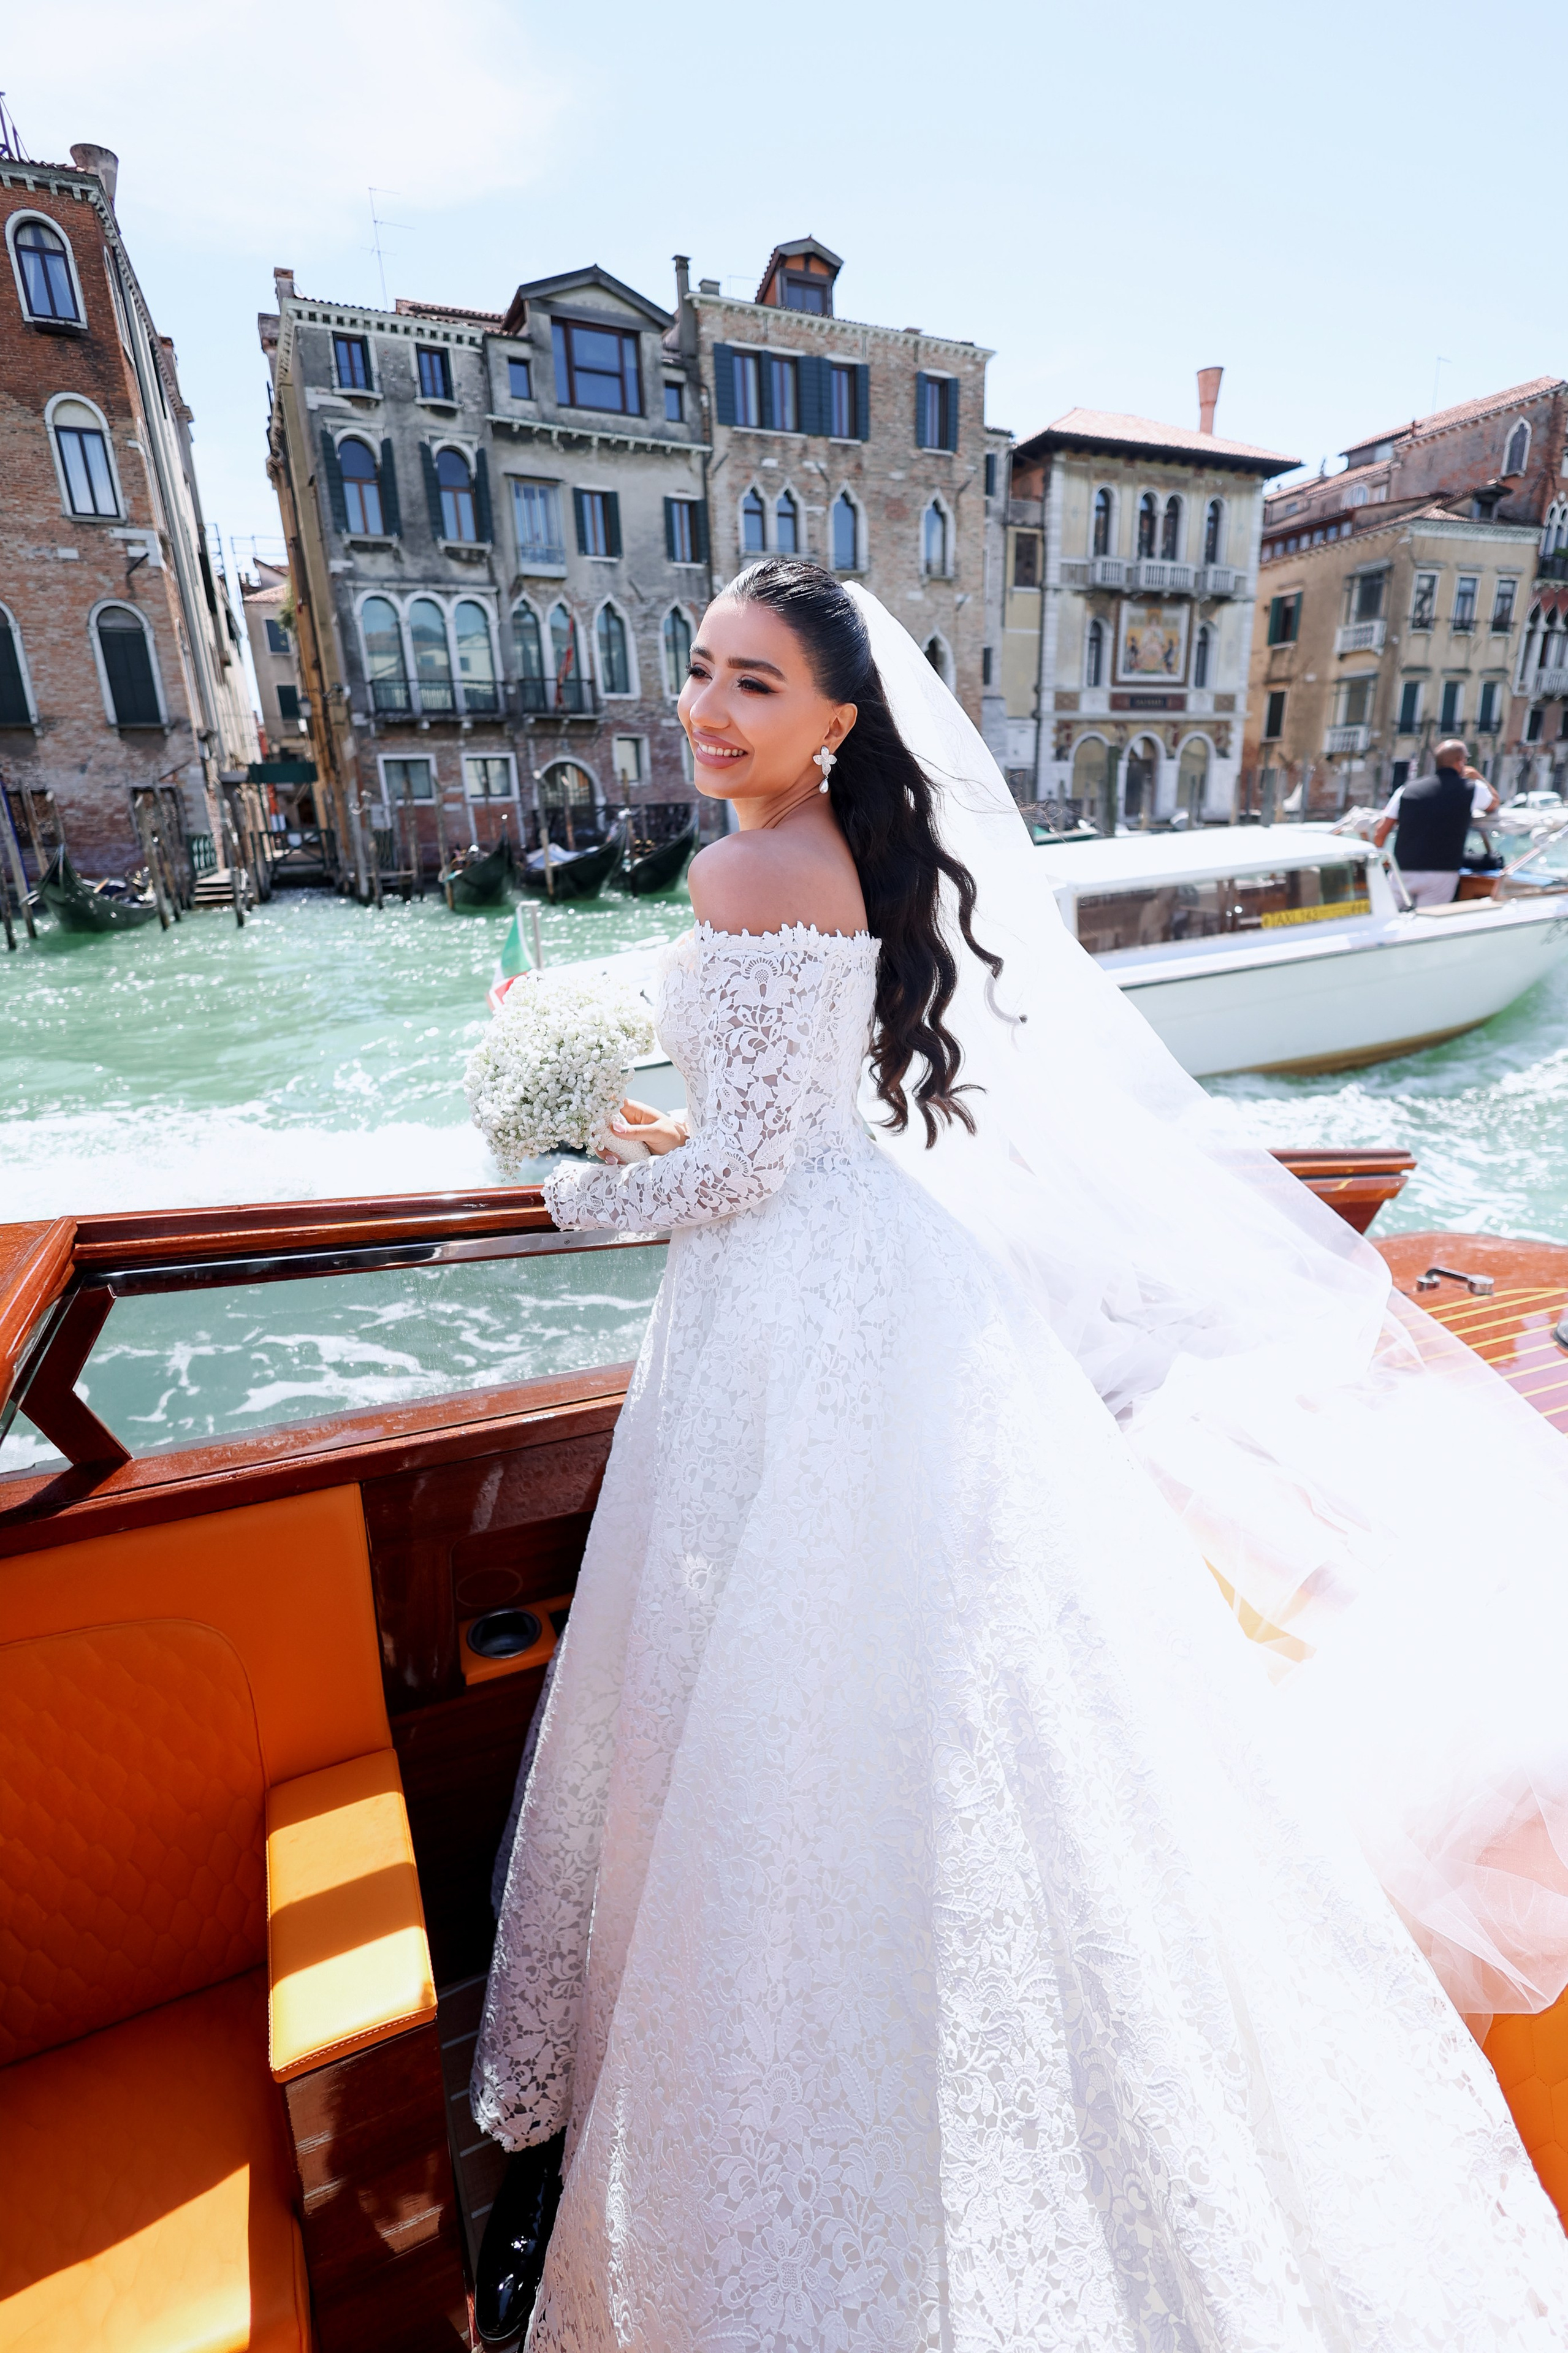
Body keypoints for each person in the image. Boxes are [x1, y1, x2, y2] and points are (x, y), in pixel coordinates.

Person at [470, 561, 1568, 2349]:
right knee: (953, 1689)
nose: (706, 707)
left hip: (778, 1301)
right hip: (893, 1274)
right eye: (697, 670)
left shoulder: (742, 866)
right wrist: (658, 1112)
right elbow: (797, 1112)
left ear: (837, 717)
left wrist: (573, 1183)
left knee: (777, 1683)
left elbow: (737, 1173)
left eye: (751, 683)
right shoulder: (866, 859)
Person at [1372, 739, 1499, 906]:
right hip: (1441, 874)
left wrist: (1385, 862)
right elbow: (1495, 803)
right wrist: (1478, 776)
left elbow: (1380, 833)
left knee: (1394, 922)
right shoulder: (1472, 789)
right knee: (1427, 926)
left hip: (1403, 871)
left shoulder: (1406, 790)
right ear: (1461, 762)